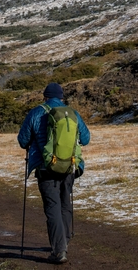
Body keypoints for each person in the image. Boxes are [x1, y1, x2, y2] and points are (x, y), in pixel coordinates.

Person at [17, 83, 90, 265]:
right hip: (69, 166)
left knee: (52, 207)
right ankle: (63, 241)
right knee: (65, 203)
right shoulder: (72, 113)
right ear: (62, 97)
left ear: (45, 97)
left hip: (45, 167)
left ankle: (59, 251)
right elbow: (86, 138)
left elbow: (22, 140)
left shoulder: (36, 112)